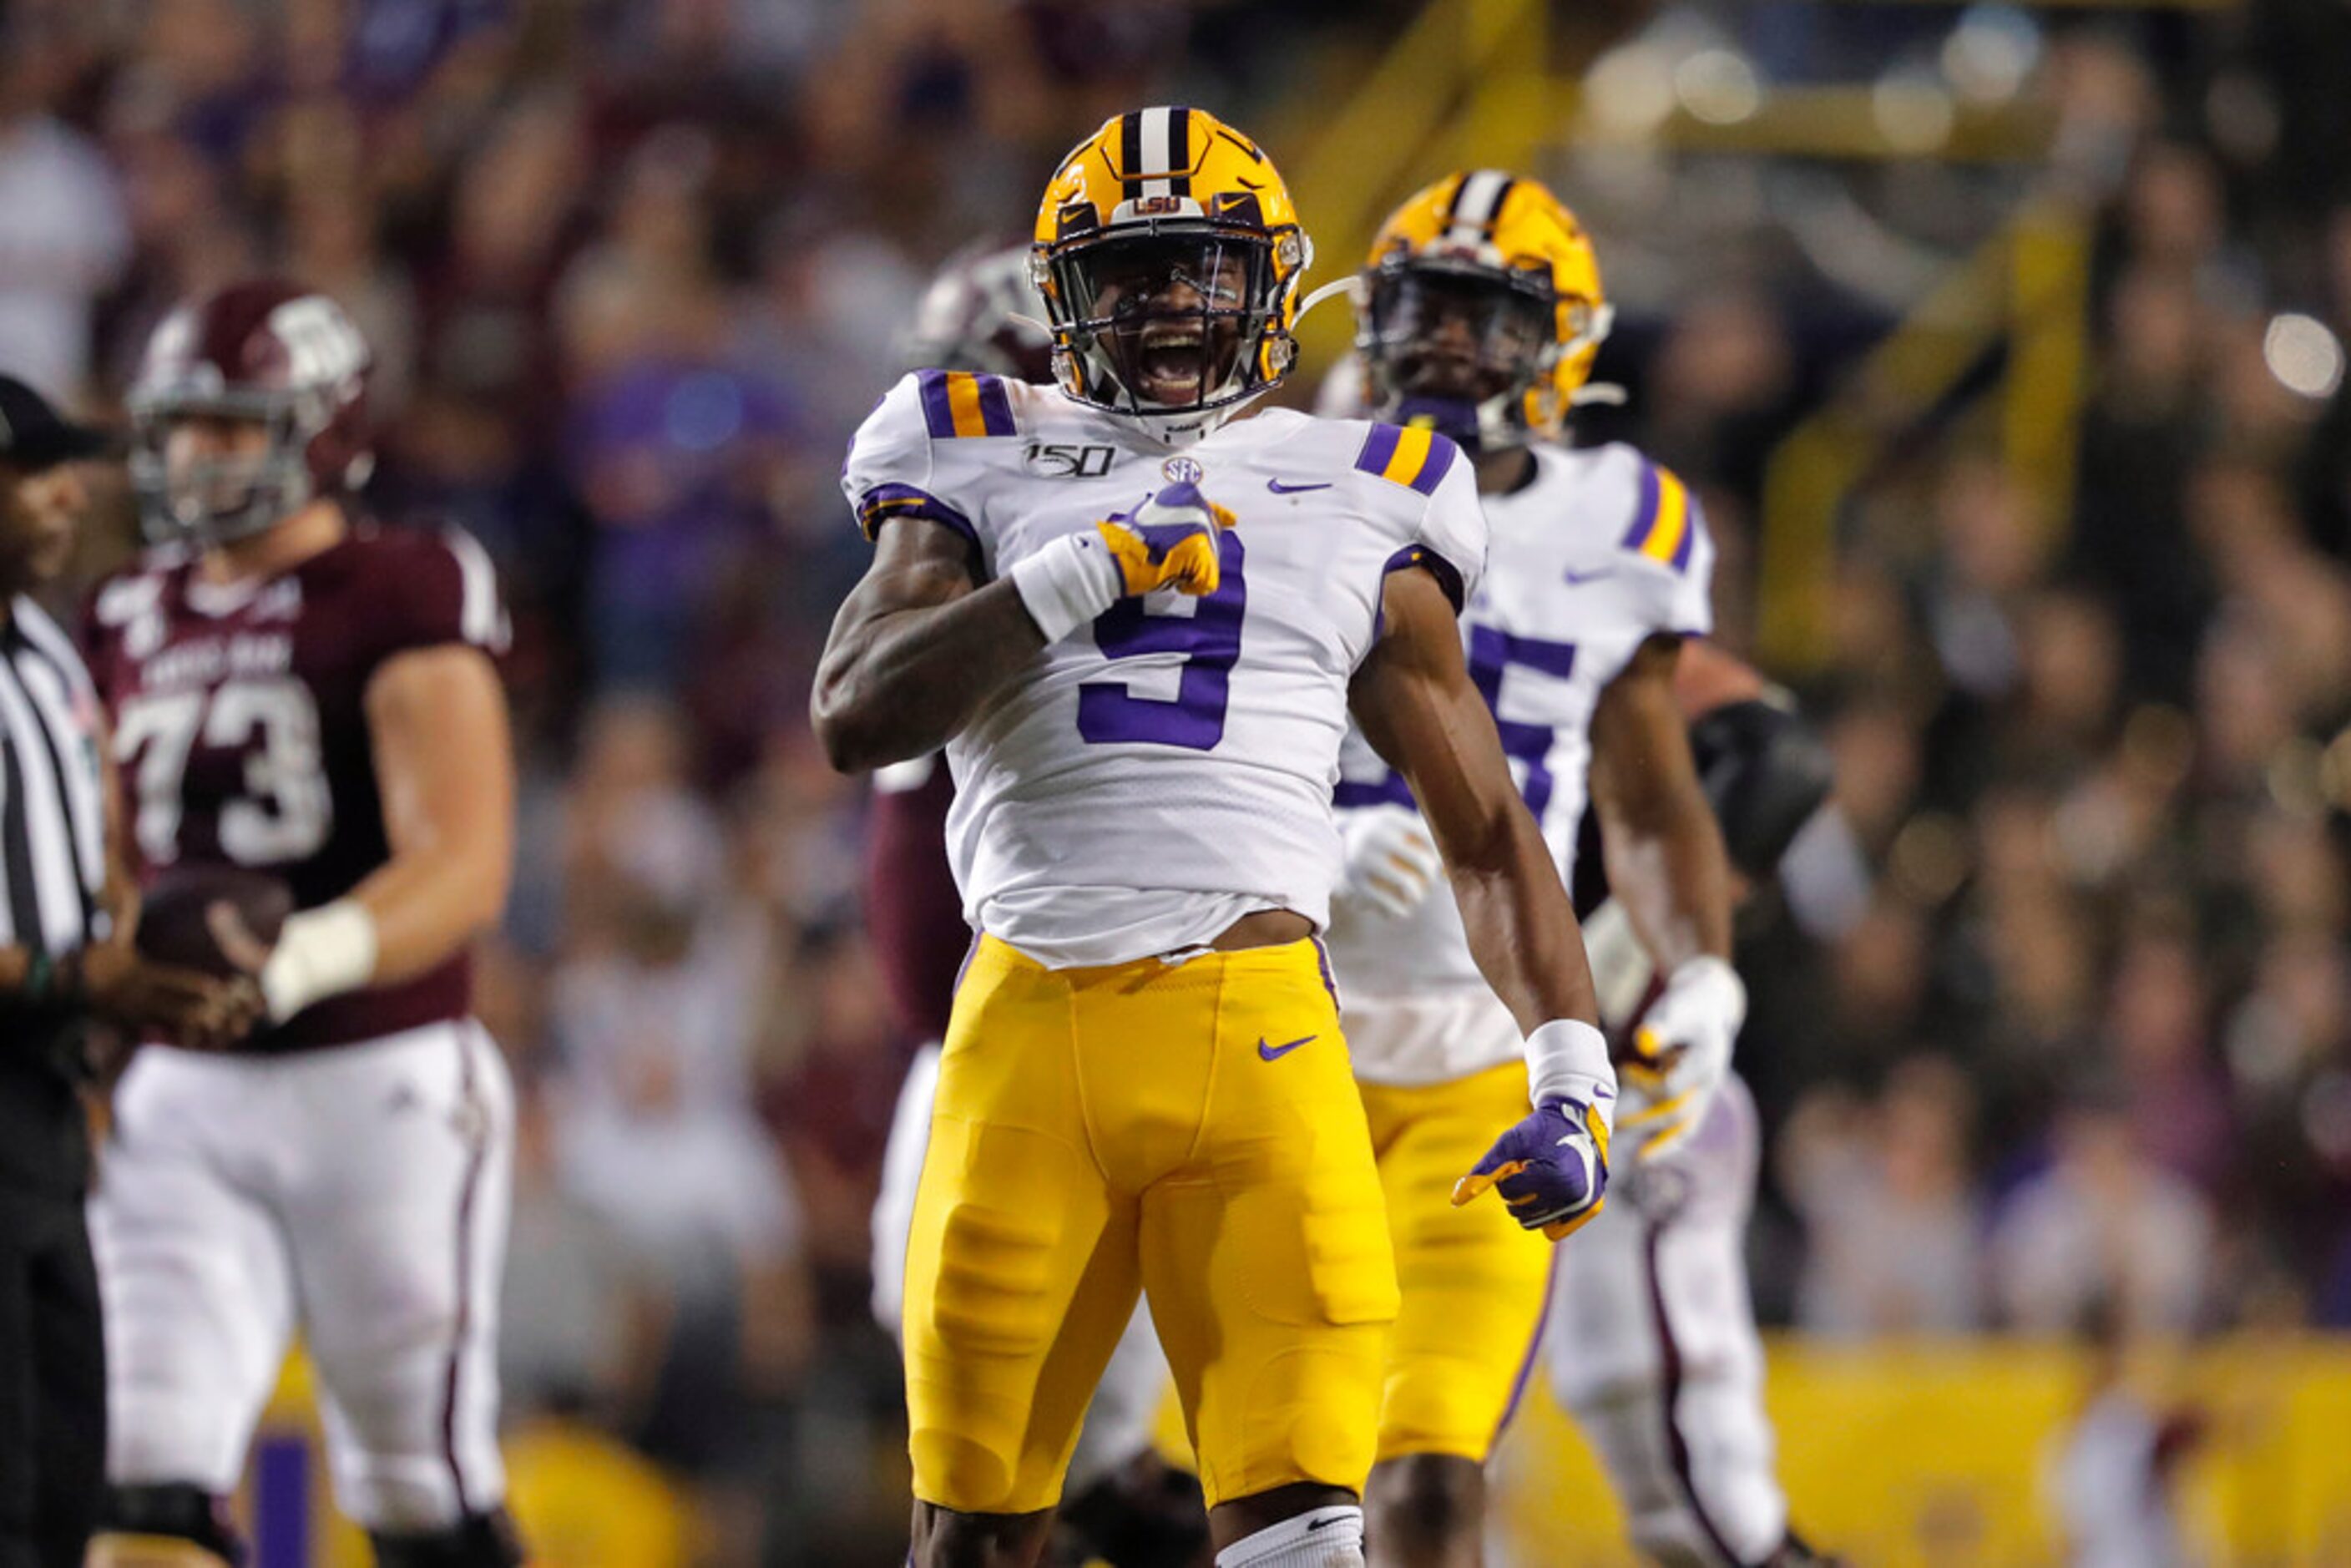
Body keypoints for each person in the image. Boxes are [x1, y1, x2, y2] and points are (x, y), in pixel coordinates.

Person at [814, 109, 1618, 1568]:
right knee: (976, 1542)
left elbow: (1486, 825)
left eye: (1204, 268)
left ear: (1271, 281)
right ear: (1065, 292)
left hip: (1261, 1039)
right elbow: (856, 715)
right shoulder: (971, 445)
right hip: (1024, 1039)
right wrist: (1070, 580)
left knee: (1308, 1540)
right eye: (1136, 270)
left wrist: (1573, 1073)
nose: (1174, 304)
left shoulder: (1367, 481)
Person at [1317, 174, 1839, 1568]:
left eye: (1490, 316)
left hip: (1497, 1038)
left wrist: (1700, 969)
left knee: (1482, 1478)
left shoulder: (1622, 520)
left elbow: (1666, 782)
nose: (1446, 347)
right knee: (1238, 1480)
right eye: (1424, 308)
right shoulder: (1292, 465)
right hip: (1271, 1019)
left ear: (1566, 342)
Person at [78, 282, 523, 1567]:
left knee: (415, 1490)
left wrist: (294, 963)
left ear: (320, 428)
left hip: (374, 1082)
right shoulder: (125, 610)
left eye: (226, 426)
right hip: (184, 1093)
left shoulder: (396, 581)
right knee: (143, 1481)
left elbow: (464, 860)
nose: (190, 459)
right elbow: (114, 855)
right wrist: (116, 979)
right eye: (177, 429)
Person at [864, 243, 1209, 1568]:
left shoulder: (1181, 532)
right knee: (980, 1429)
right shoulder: (944, 564)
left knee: (1068, 1458)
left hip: (1144, 1011)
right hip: (980, 1036)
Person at [0, 377, 250, 1568]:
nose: (65, 497)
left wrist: (138, 932)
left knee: (67, 1482)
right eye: (31, 472)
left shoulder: (51, 648)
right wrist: (87, 977)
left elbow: (96, 845)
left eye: (66, 468)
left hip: (46, 1104)